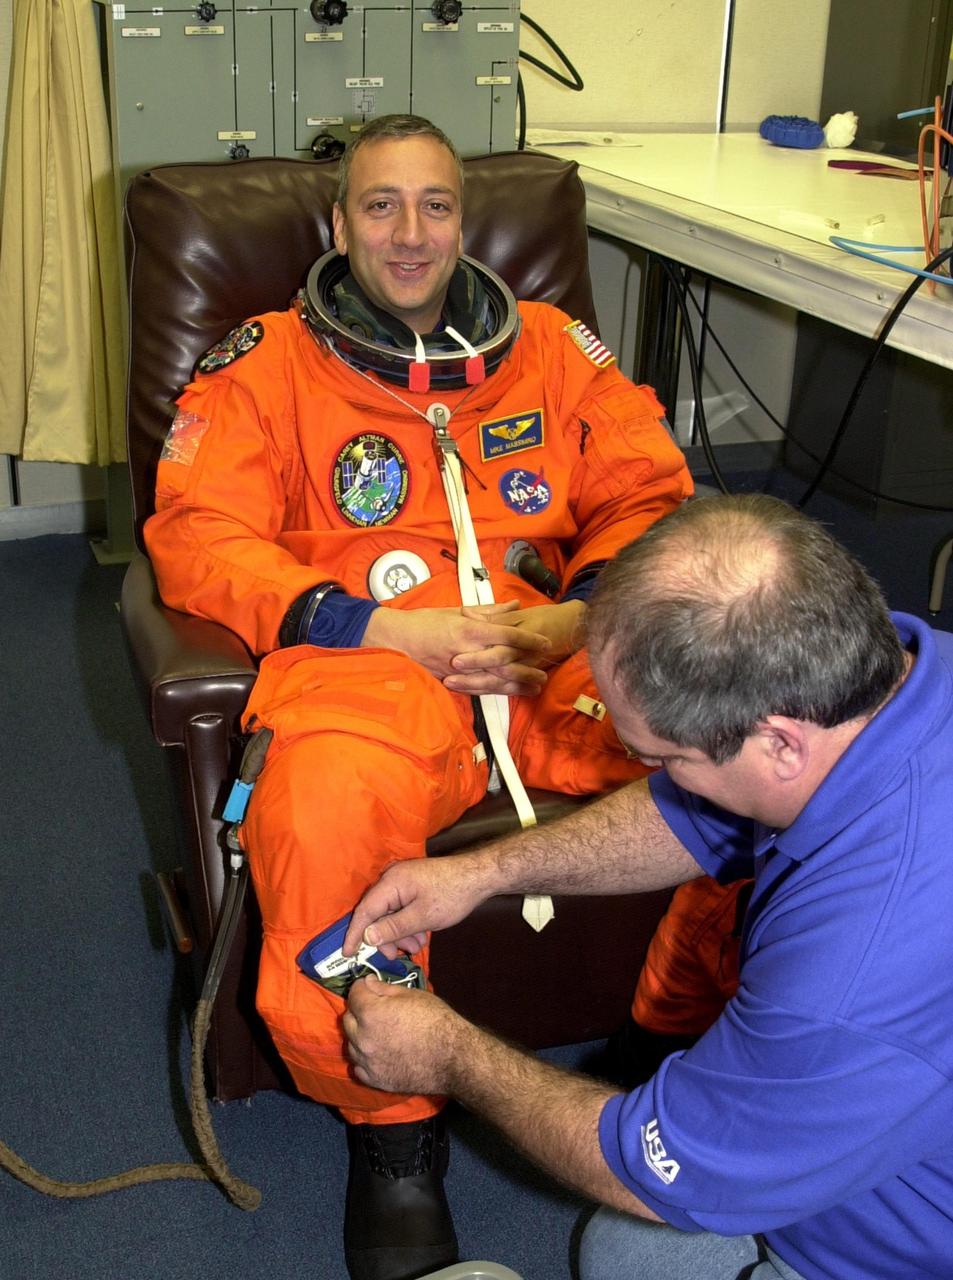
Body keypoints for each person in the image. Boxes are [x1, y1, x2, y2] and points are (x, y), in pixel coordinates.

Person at [144, 113, 691, 1280]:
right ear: (336, 224)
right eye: (379, 205)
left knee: (733, 743)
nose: (408, 232)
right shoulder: (264, 365)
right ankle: (391, 1131)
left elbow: (648, 489)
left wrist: (579, 612)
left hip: (548, 650)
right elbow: (200, 536)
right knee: (324, 802)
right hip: (374, 663)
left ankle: (670, 1039)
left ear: (463, 219)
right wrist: (382, 625)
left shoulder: (552, 349)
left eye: (434, 204)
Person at [342, 492, 953, 1280]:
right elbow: (699, 816)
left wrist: (448, 1056)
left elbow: (656, 1169)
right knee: (622, 1253)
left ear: (777, 742)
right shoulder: (889, 681)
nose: (659, 780)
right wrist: (482, 870)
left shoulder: (850, 972)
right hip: (881, 1119)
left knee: (635, 1243)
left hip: (901, 1253)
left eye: (663, 759)